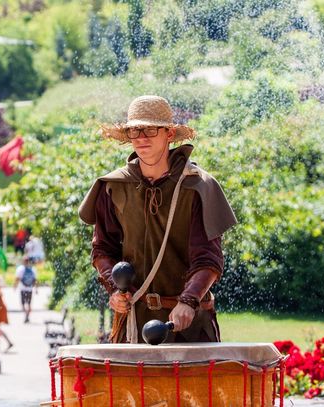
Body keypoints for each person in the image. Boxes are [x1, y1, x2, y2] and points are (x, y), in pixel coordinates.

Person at [79, 95, 237, 344]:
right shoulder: (113, 187)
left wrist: (188, 301)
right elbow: (103, 249)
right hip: (133, 323)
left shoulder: (197, 186)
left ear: (170, 134)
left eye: (151, 129)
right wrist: (114, 290)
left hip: (189, 322)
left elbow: (208, 258)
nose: (141, 138)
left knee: (194, 385)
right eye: (134, 130)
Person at [14, 257, 38, 323]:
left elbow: (17, 279)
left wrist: (15, 286)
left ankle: (26, 314)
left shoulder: (20, 269)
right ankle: (27, 316)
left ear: (23, 261)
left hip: (23, 288)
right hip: (30, 289)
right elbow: (35, 280)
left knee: (22, 304)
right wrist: (36, 288)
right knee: (29, 304)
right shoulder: (33, 269)